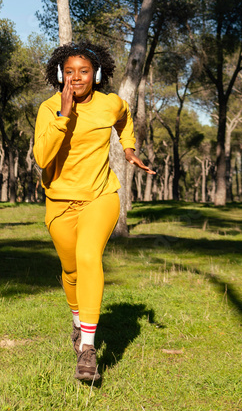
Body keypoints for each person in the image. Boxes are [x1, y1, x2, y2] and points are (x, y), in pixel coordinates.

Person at [33, 40, 156, 383]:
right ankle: (77, 320)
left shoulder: (110, 104)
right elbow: (42, 158)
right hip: (59, 202)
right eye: (69, 71)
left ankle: (88, 349)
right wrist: (64, 115)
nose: (75, 78)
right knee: (71, 271)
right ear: (60, 74)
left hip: (101, 195)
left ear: (96, 75)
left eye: (83, 71)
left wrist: (128, 148)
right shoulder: (48, 109)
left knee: (89, 257)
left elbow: (124, 117)